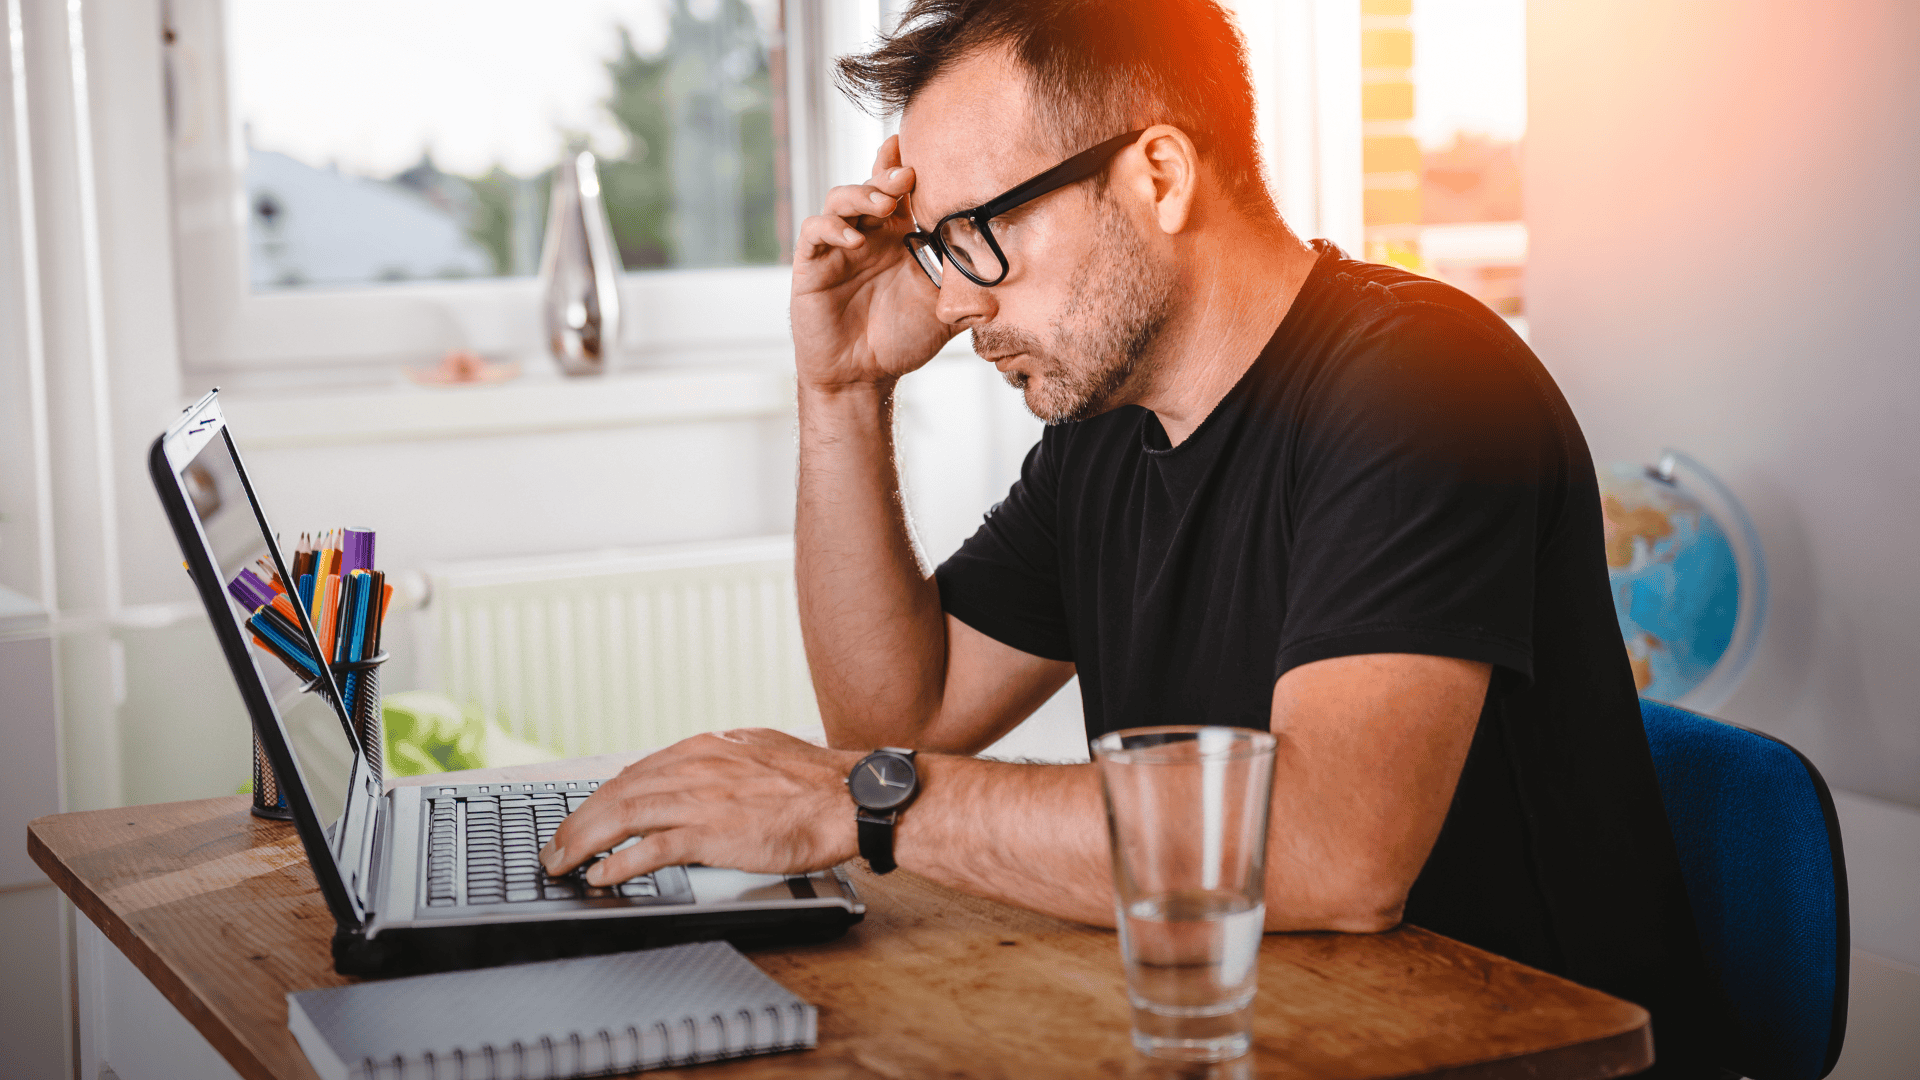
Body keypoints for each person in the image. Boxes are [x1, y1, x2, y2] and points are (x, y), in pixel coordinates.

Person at [546, 1, 1712, 1072]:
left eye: (980, 231)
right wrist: (843, 390)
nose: (956, 303)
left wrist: (858, 803)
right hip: (1266, 1030)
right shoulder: (1110, 431)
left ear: (1157, 173)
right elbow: (898, 715)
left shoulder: (1424, 385)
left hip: (1503, 1051)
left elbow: (1333, 853)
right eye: (935, 248)